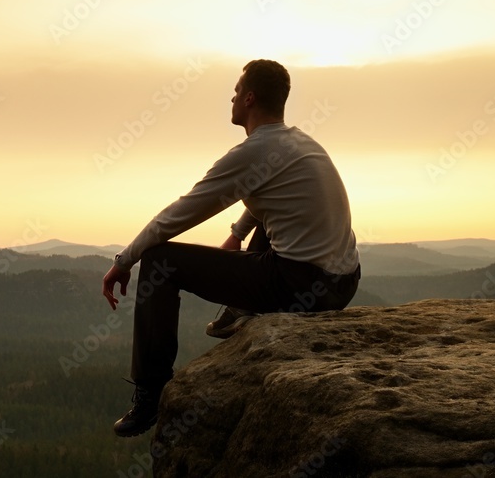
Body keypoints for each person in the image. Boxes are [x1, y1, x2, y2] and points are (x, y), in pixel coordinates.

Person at [101, 59, 360, 437]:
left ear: (250, 98)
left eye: (237, 91)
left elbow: (181, 212)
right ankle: (241, 308)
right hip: (345, 281)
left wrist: (125, 260)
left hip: (301, 284)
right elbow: (276, 197)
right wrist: (238, 233)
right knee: (280, 234)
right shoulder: (300, 142)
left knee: (158, 261)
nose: (233, 97)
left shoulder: (252, 152)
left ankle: (149, 395)